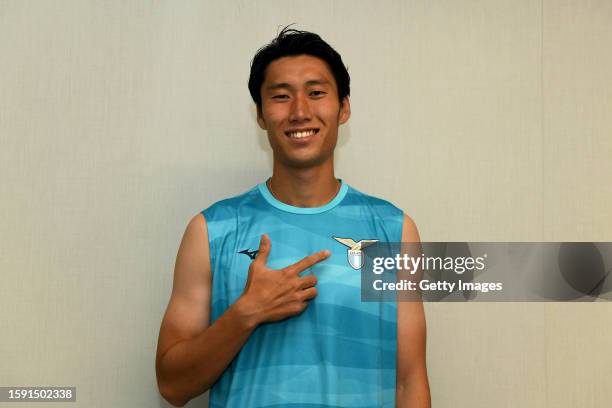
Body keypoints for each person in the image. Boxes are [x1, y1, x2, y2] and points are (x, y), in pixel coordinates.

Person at [155, 26, 430, 408]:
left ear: (344, 107)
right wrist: (245, 314)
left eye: (316, 93)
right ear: (262, 116)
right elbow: (171, 386)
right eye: (281, 97)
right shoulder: (211, 231)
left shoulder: (393, 229)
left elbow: (409, 382)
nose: (300, 111)